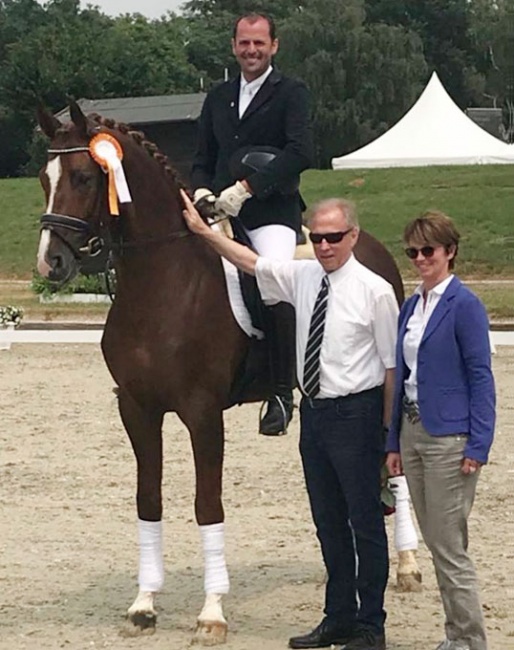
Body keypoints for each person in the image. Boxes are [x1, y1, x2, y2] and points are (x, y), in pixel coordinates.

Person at [181, 190, 398, 650]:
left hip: (356, 413)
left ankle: (370, 626)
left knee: (364, 522)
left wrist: (387, 433)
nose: (323, 246)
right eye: (317, 238)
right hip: (315, 414)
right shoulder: (304, 277)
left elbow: (392, 368)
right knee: (327, 522)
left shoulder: (375, 291)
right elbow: (252, 264)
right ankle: (337, 616)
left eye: (333, 237)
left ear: (353, 236)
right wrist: (203, 232)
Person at [190, 12, 314, 436]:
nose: (251, 50)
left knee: (272, 278)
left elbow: (299, 152)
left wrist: (247, 188)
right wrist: (202, 192)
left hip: (270, 212)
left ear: (274, 46)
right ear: (234, 46)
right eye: (244, 43)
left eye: (259, 43)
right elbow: (202, 157)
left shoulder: (291, 92)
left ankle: (280, 391)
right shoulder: (218, 97)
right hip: (220, 212)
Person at [385, 211, 495, 650]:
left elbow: (481, 376)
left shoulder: (464, 305)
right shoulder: (412, 305)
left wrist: (479, 443)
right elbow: (403, 373)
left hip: (451, 437)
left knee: (450, 548)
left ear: (449, 252)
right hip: (412, 429)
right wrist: (393, 440)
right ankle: (456, 636)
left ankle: (471, 640)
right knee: (435, 543)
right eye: (413, 251)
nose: (420, 258)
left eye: (428, 250)